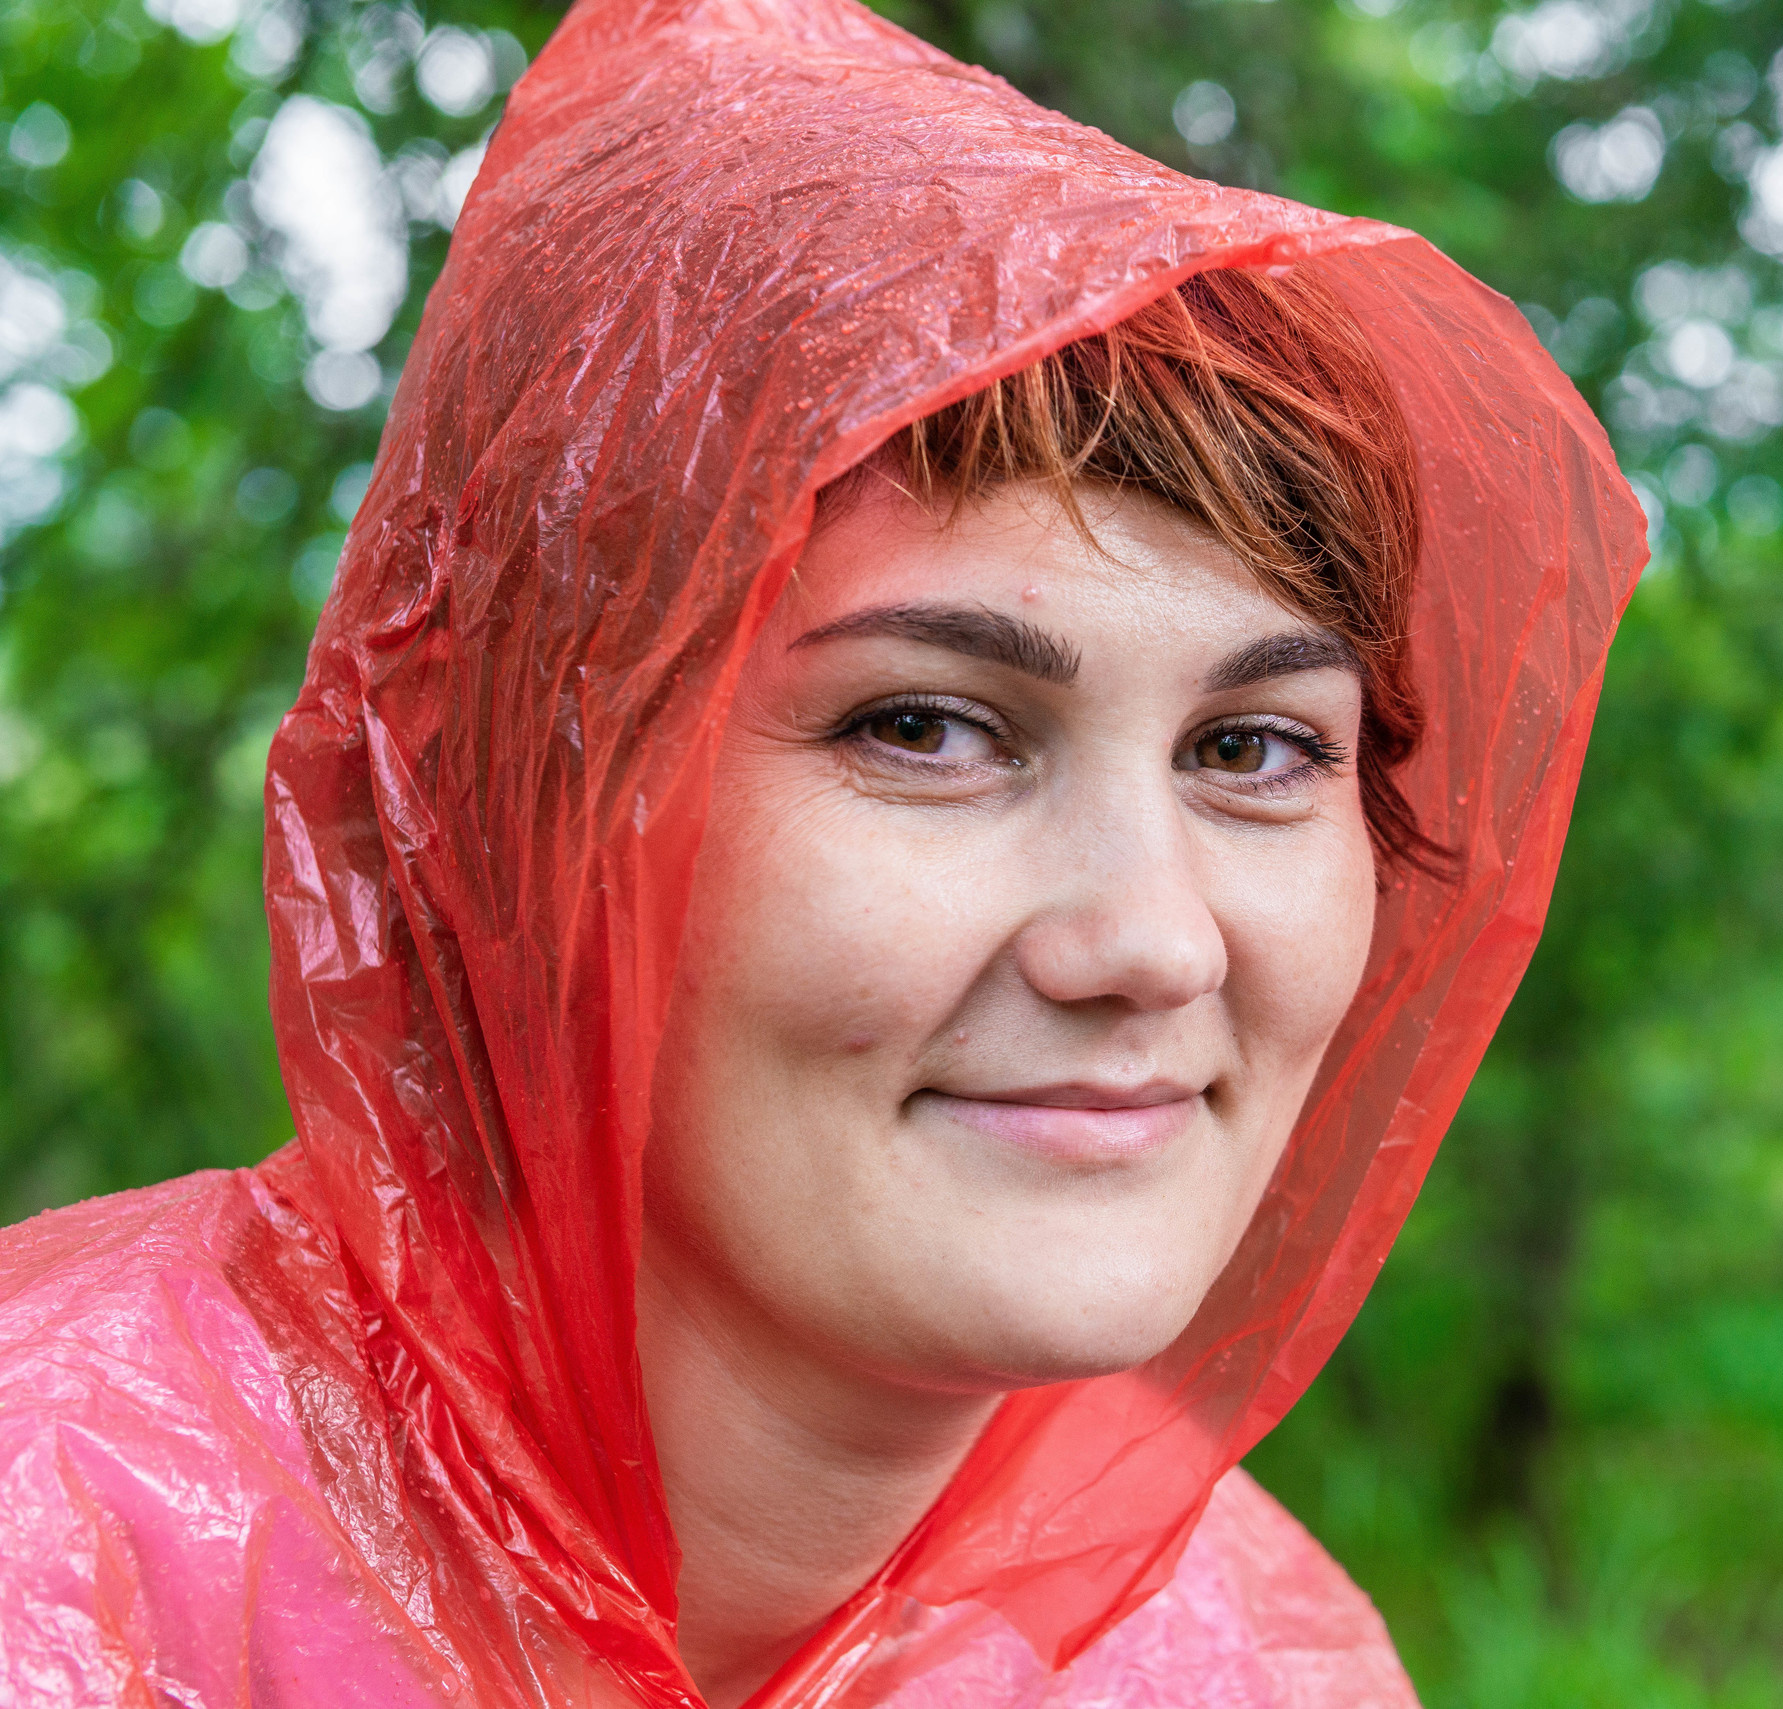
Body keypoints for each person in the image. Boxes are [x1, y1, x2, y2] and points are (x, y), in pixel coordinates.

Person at [0, 1, 1643, 1704]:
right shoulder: (62, 1542)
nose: (1154, 942)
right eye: (923, 727)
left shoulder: (1244, 1654)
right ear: (527, 808)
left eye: (1255, 748)